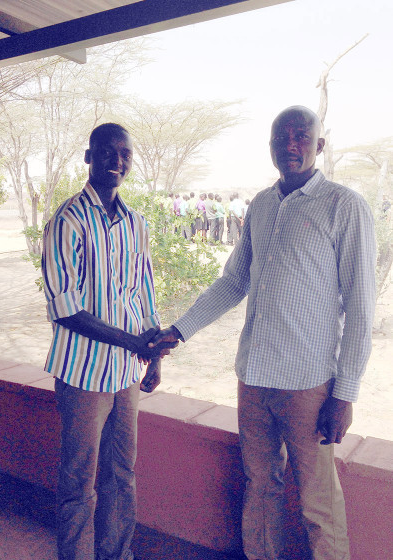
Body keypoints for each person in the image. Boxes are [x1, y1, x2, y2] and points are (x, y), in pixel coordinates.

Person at [148, 106, 376, 560]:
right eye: (281, 138)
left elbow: (361, 306)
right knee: (260, 487)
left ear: (319, 145)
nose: (290, 145)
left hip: (308, 384)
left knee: (318, 502)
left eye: (301, 136)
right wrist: (180, 330)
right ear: (270, 146)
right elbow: (235, 281)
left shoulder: (344, 205)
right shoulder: (262, 204)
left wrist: (345, 393)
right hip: (253, 377)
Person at [42, 122, 176, 560]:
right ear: (88, 157)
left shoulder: (136, 223)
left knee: (121, 475)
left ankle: (117, 555)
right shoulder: (68, 220)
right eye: (107, 152)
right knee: (78, 482)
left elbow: (143, 294)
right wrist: (132, 343)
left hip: (125, 375)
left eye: (125, 154)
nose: (117, 161)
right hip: (83, 373)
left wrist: (153, 357)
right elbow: (66, 307)